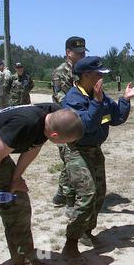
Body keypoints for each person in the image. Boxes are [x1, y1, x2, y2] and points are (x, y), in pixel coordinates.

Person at [0, 104, 83, 265]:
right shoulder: (26, 122)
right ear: (54, 134)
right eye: (66, 142)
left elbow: (33, 147)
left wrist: (15, 179)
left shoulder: (52, 115)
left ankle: (23, 262)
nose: (67, 145)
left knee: (18, 201)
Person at [60, 56, 134, 265]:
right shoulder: (72, 98)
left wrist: (125, 100)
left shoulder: (100, 95)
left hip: (95, 151)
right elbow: (85, 125)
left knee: (99, 193)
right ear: (86, 75)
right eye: (99, 74)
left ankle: (86, 231)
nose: (102, 78)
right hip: (77, 151)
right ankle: (70, 244)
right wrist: (96, 101)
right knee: (87, 195)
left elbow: (117, 118)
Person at [51, 37, 88, 209]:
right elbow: (61, 98)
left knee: (72, 158)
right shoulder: (60, 72)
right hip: (64, 121)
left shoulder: (82, 71)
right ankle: (68, 199)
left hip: (78, 120)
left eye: (83, 53)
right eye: (78, 53)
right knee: (69, 159)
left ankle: (62, 193)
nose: (82, 56)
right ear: (68, 53)